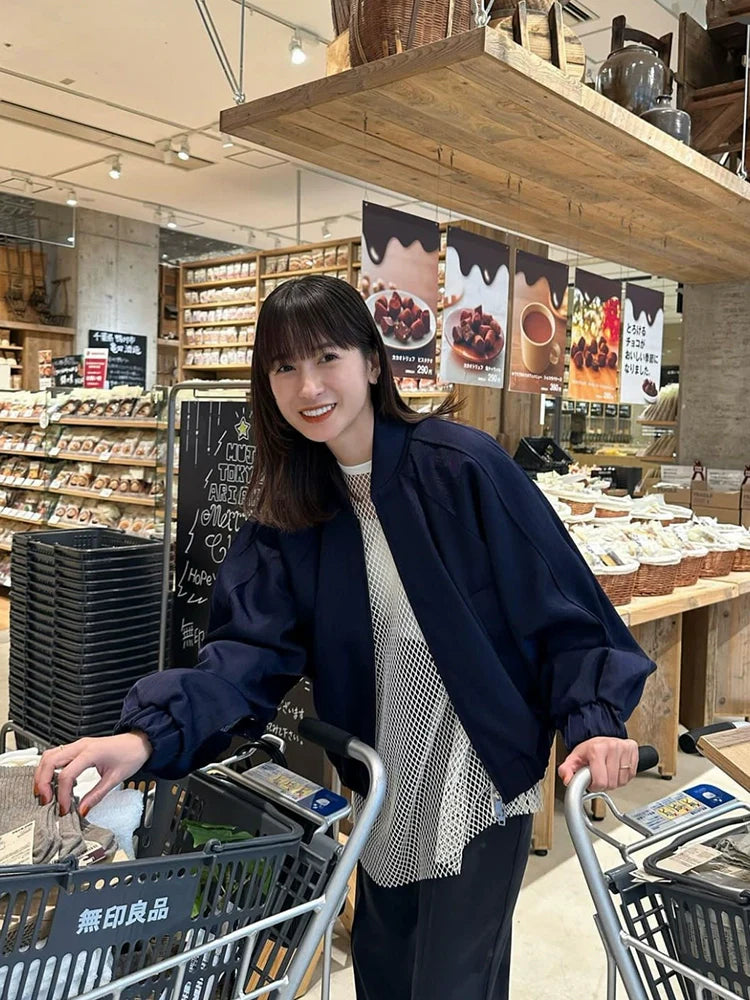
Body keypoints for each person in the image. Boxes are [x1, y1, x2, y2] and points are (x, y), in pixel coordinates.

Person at [35, 275, 654, 1000]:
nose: (308, 386)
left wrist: (594, 721)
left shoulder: (462, 469)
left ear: (372, 359)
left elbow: (564, 611)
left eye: (326, 357)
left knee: (452, 983)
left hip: (483, 779)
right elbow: (244, 658)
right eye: (284, 367)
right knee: (384, 976)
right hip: (384, 788)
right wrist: (142, 738)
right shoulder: (291, 510)